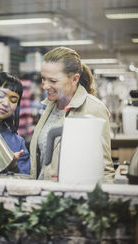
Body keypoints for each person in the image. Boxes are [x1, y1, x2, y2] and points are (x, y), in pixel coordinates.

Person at [30, 46, 115, 183]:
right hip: (44, 197)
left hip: (73, 198)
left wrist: (102, 201)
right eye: (43, 79)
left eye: (53, 81)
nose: (45, 86)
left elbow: (104, 168)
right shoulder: (50, 106)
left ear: (75, 79)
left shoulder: (93, 108)